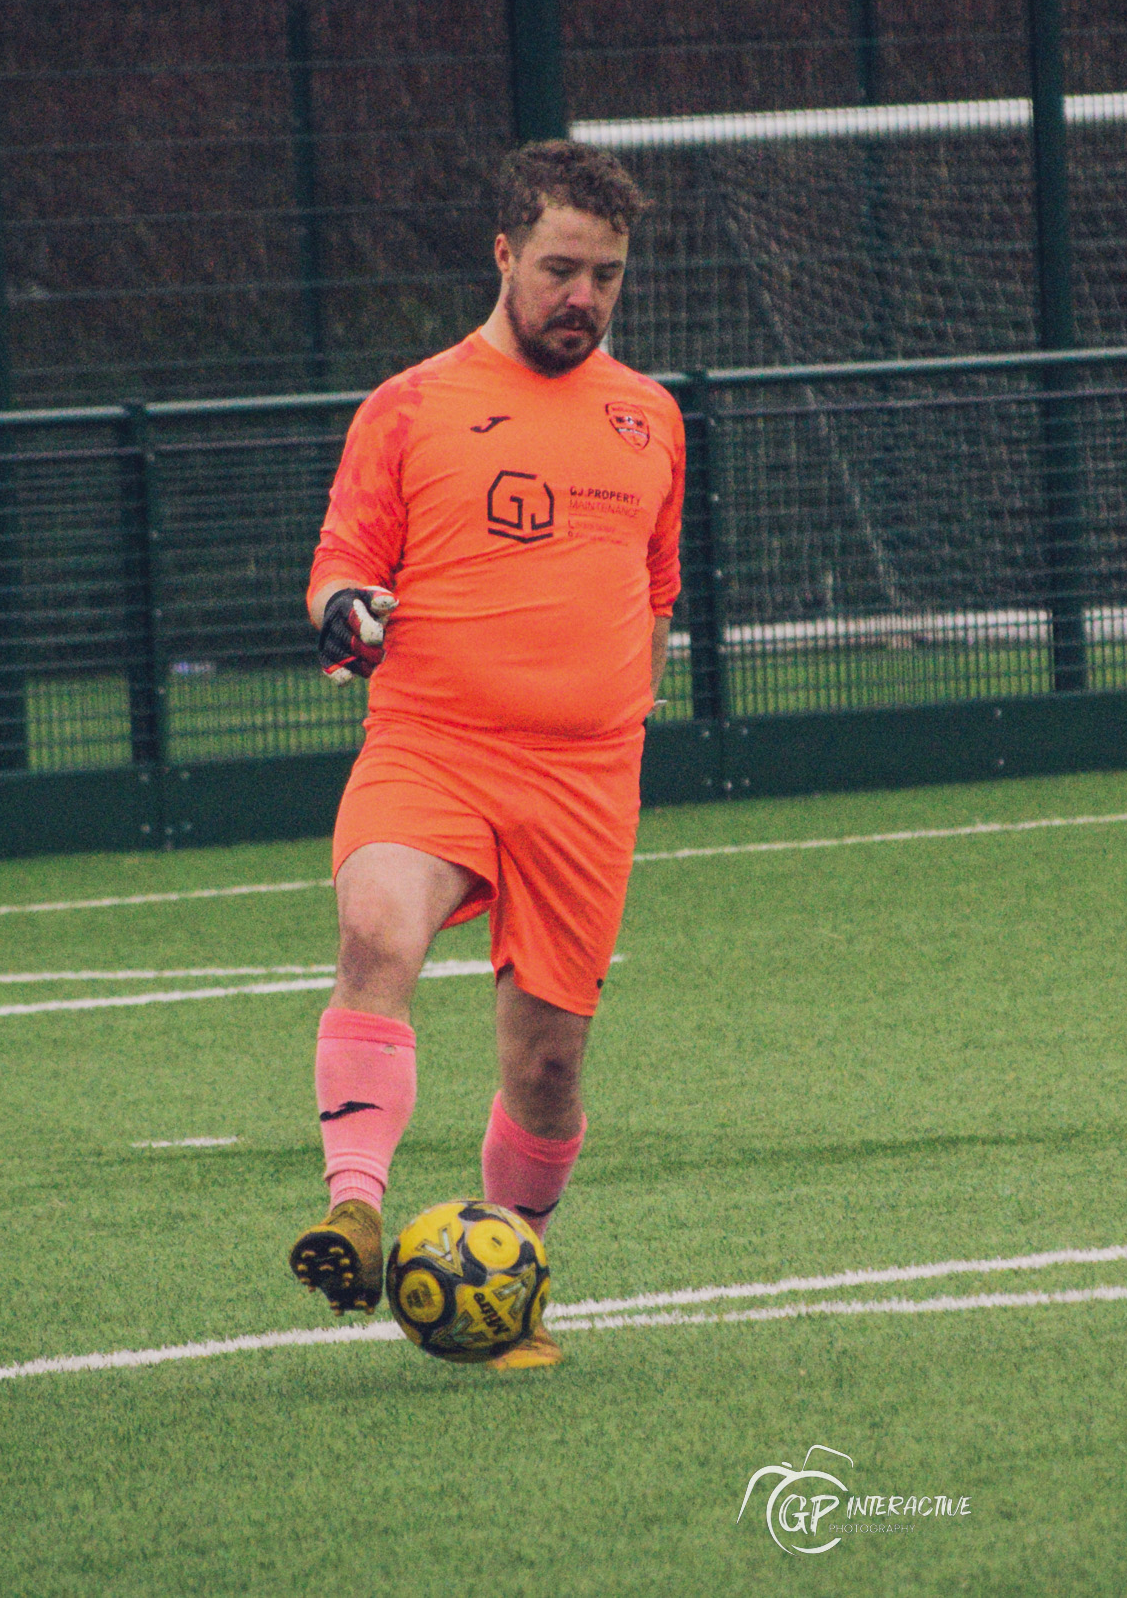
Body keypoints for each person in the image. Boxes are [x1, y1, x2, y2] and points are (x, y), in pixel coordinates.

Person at [287, 139, 680, 1371]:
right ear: (503, 253)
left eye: (606, 276)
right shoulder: (410, 404)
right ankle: (354, 1202)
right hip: (433, 741)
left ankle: (505, 1275)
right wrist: (348, 613)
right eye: (561, 268)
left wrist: (622, 705)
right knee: (375, 935)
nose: (584, 296)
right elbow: (343, 560)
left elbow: (655, 590)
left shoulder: (650, 416)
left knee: (549, 1067)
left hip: (584, 781)